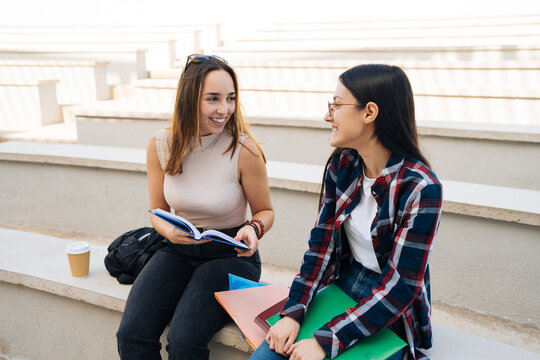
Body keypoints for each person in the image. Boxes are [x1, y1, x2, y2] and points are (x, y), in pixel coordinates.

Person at [250, 64, 443, 360]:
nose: (328, 116)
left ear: (369, 113)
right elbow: (321, 248)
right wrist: (293, 311)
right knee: (268, 356)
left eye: (336, 105)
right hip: (345, 282)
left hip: (389, 305)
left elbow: (400, 288)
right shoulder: (342, 165)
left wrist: (326, 341)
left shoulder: (420, 188)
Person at [117, 54, 274, 360]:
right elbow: (156, 210)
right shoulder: (160, 144)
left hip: (229, 255)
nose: (224, 109)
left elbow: (265, 211)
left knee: (185, 341)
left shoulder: (244, 148)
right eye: (212, 99)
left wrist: (253, 229)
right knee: (132, 335)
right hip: (175, 248)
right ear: (190, 99)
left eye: (230, 98)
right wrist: (169, 232)